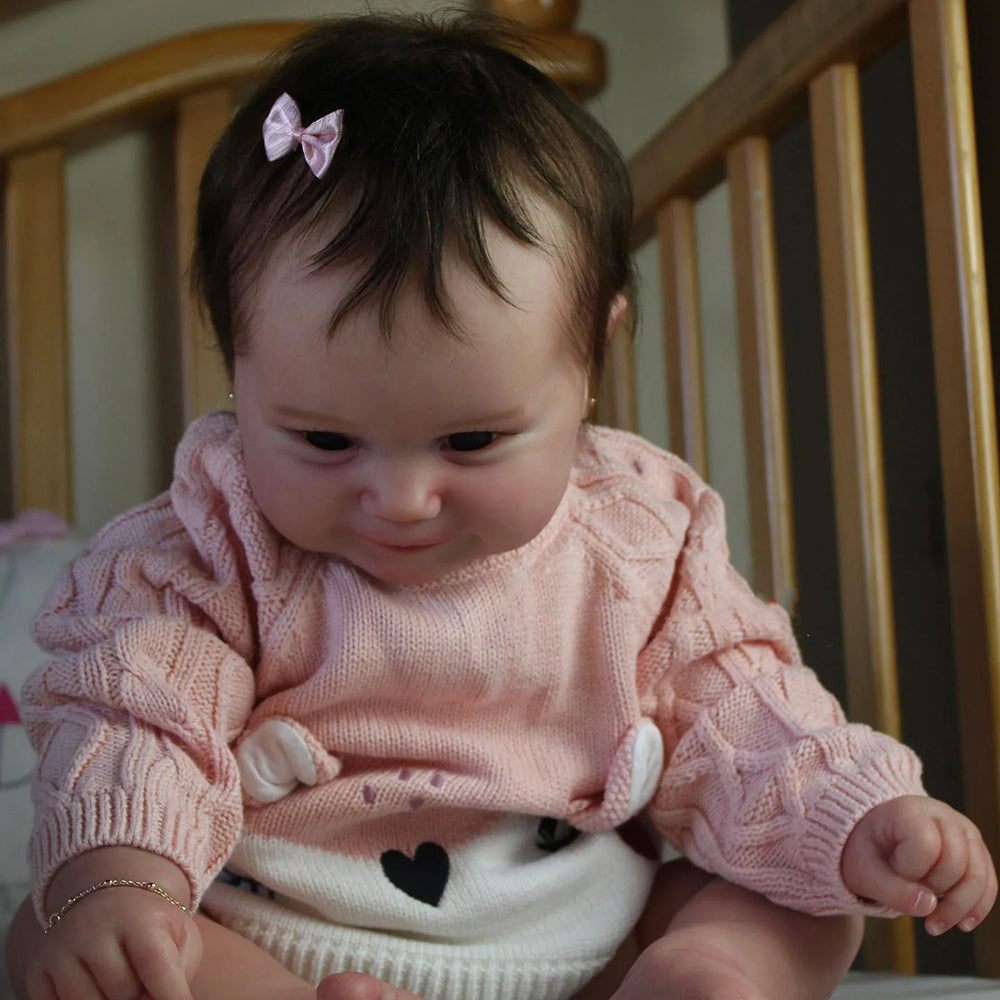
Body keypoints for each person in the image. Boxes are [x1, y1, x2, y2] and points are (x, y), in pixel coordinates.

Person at [4, 12, 996, 1000]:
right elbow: (139, 715)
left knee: (805, 893)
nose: (399, 499)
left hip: (588, 941)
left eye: (470, 440)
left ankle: (705, 973)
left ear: (590, 360)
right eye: (322, 439)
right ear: (240, 369)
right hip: (278, 933)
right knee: (70, 926)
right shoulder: (203, 549)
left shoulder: (637, 544)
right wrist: (120, 880)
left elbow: (741, 715)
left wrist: (858, 815)